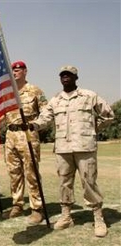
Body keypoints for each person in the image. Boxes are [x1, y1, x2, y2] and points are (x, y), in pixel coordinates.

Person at [31, 65, 114, 237]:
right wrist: (32, 125)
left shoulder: (89, 96)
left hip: (85, 146)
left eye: (69, 75)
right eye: (62, 75)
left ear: (76, 78)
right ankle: (66, 216)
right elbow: (44, 119)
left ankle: (98, 218)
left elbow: (109, 115)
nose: (65, 77)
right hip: (63, 148)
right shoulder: (56, 100)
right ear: (60, 79)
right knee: (64, 183)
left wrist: (93, 129)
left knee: (89, 182)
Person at [2, 61, 47, 225]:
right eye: (13, 70)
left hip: (27, 133)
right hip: (10, 135)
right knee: (14, 173)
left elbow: (46, 112)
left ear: (25, 71)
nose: (15, 72)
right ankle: (17, 205)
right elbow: (0, 116)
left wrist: (36, 126)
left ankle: (37, 208)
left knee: (31, 172)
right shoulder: (8, 93)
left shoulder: (35, 90)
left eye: (18, 69)